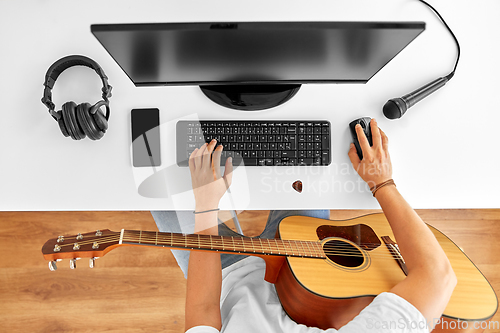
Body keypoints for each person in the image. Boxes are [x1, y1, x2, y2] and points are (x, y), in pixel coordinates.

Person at [151, 118, 457, 333]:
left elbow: (204, 309)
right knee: (307, 144)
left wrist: (205, 204)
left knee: (156, 159)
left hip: (225, 276)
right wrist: (381, 182)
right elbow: (438, 277)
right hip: (304, 272)